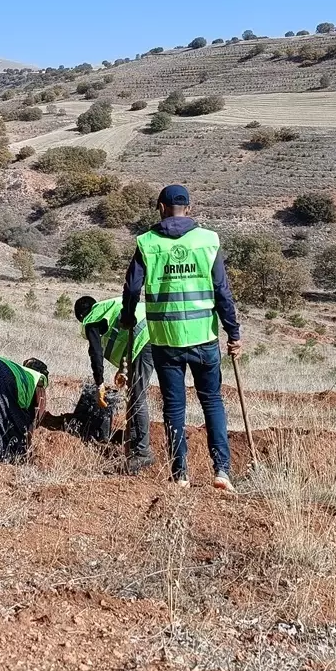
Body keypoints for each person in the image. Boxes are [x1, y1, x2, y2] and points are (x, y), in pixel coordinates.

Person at [120, 184, 242, 492]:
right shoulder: (208, 241)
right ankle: (222, 471)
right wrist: (234, 334)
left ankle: (181, 475)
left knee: (174, 407)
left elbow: (133, 289)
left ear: (160, 207)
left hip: (165, 340)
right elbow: (222, 292)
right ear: (188, 207)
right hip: (204, 338)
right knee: (212, 401)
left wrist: (126, 319)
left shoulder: (147, 242)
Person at [74, 294, 154, 472]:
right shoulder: (108, 309)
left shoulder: (92, 318)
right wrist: (123, 369)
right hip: (157, 330)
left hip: (146, 339)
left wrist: (99, 383)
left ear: (81, 316)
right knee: (134, 393)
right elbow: (126, 335)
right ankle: (134, 444)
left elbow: (95, 353)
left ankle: (142, 452)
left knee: (137, 396)